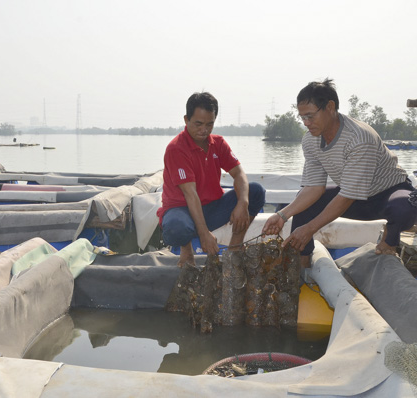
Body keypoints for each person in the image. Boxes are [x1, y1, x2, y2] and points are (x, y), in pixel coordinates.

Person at [262, 78, 417, 269]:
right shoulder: (311, 141)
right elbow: (313, 188)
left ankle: (390, 239)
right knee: (303, 207)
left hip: (387, 193)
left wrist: (310, 229)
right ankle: (300, 268)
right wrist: (282, 215)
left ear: (330, 107)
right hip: (353, 196)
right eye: (302, 118)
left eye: (310, 116)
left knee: (405, 209)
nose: (306, 123)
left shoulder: (359, 138)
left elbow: (347, 196)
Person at [157, 92, 266, 266]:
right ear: (186, 120)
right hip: (182, 209)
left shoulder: (218, 143)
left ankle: (234, 249)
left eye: (210, 124)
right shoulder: (176, 149)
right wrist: (204, 234)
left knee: (255, 191)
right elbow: (190, 194)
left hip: (212, 207)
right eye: (198, 124)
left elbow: (239, 174)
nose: (204, 130)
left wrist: (243, 204)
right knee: (176, 227)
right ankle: (186, 251)